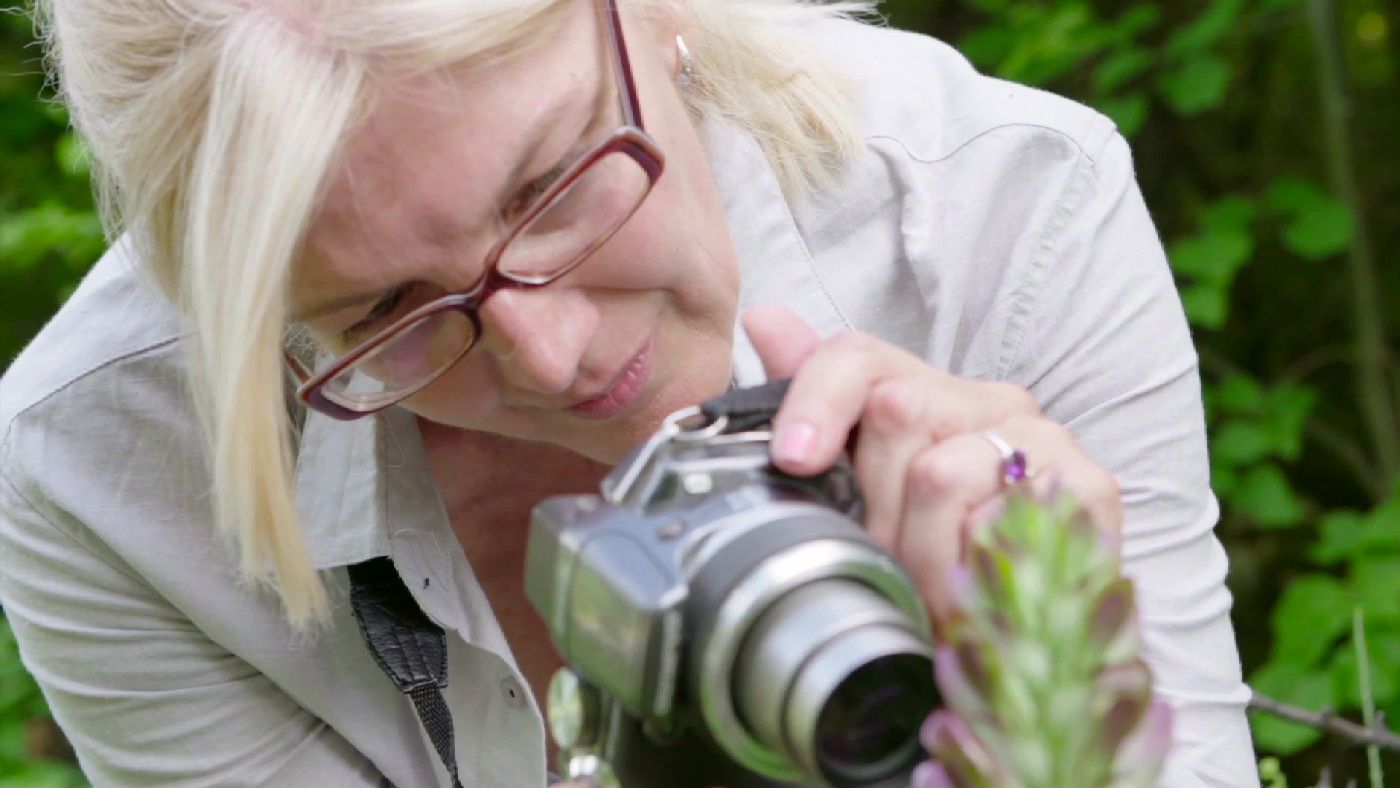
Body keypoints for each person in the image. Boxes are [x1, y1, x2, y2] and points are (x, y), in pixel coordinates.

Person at [0, 0, 1257, 784]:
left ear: (650, 14)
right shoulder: (101, 473)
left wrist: (1045, 678)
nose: (547, 359)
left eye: (550, 185)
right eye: (382, 311)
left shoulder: (1001, 218)